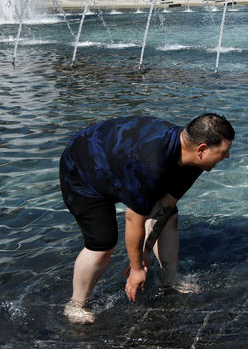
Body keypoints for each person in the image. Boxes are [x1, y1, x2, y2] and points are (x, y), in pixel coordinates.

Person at [60, 113, 234, 323]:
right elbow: (134, 219)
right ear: (202, 149)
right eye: (224, 152)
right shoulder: (151, 163)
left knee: (169, 217)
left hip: (120, 164)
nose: (227, 157)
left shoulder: (192, 161)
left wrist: (146, 250)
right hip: (83, 172)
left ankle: (170, 281)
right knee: (102, 244)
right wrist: (136, 269)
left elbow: (165, 206)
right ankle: (75, 304)